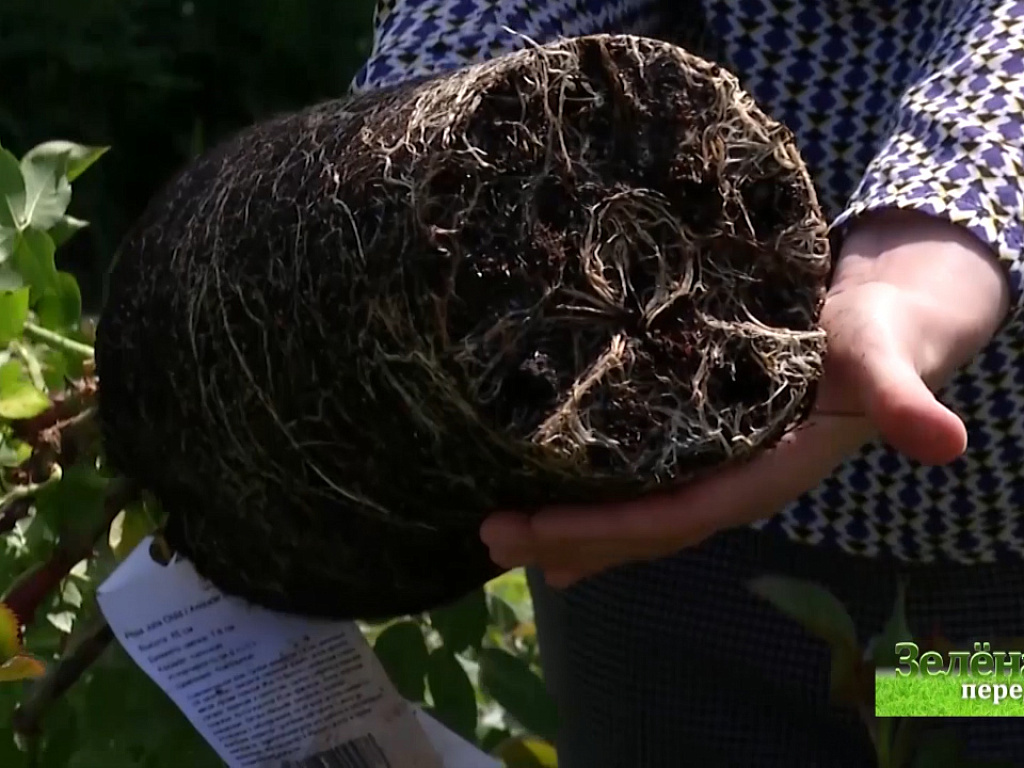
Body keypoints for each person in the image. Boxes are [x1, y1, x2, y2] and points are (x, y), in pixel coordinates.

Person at [350, 1, 1024, 765]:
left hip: (984, 604)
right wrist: (421, 139)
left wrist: (947, 214)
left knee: (970, 726)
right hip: (665, 558)